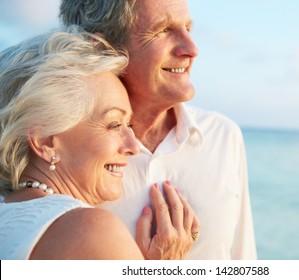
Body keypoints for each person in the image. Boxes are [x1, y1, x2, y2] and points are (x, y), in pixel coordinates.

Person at [60, 0, 257, 259]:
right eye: (163, 30)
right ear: (102, 49)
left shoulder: (223, 136)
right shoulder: (62, 151)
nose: (192, 49)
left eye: (188, 28)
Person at [0, 26, 199, 260]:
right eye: (114, 125)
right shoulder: (90, 231)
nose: (133, 146)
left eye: (130, 126)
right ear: (44, 140)